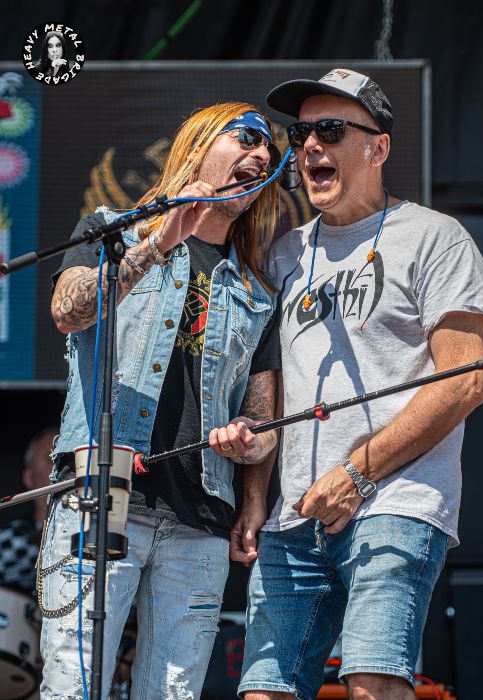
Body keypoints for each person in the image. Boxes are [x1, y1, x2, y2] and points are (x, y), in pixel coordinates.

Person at [234, 69, 483, 700]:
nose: (310, 147)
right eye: (300, 134)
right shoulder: (283, 254)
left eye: (330, 131)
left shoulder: (435, 237)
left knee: (373, 680)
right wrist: (254, 498)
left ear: (378, 148)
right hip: (294, 516)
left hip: (394, 502)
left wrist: (356, 473)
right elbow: (268, 391)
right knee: (264, 690)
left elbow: (465, 382)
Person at [41, 103, 282, 699]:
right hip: (103, 497)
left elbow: (266, 422)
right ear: (197, 146)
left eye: (269, 152)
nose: (260, 154)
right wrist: (159, 242)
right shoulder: (112, 231)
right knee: (74, 688)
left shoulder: (256, 292)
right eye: (246, 138)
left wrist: (249, 447)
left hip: (200, 521)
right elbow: (68, 312)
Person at [0, 428, 56, 592]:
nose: (62, 468)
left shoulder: (95, 536)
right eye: (51, 459)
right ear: (29, 478)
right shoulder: (7, 541)